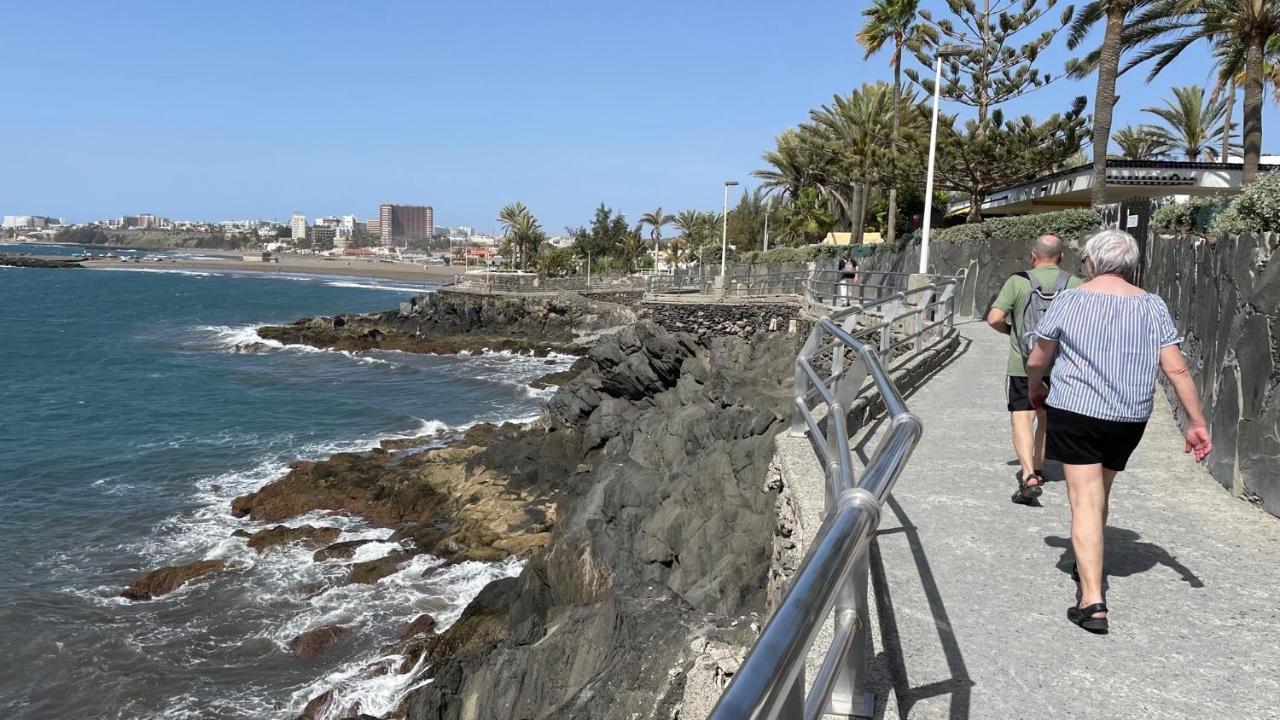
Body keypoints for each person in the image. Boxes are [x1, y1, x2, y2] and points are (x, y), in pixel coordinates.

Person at [1026, 229, 1211, 634]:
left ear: (1090, 262)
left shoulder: (1070, 299)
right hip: (1128, 417)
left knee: (1085, 499)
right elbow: (1176, 367)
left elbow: (1039, 355)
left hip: (1077, 410)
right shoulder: (1153, 305)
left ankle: (1092, 599)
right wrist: (1196, 422)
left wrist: (1034, 386)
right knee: (1100, 491)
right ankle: (1087, 558)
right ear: (1131, 266)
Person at [986, 234, 1082, 504]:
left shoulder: (1018, 281)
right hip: (1061, 366)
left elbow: (994, 318)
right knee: (1046, 417)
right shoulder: (1075, 284)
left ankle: (1028, 474)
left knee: (1022, 417)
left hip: (1022, 364)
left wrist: (1012, 332)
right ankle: (1040, 469)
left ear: (1032, 255)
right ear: (1061, 257)